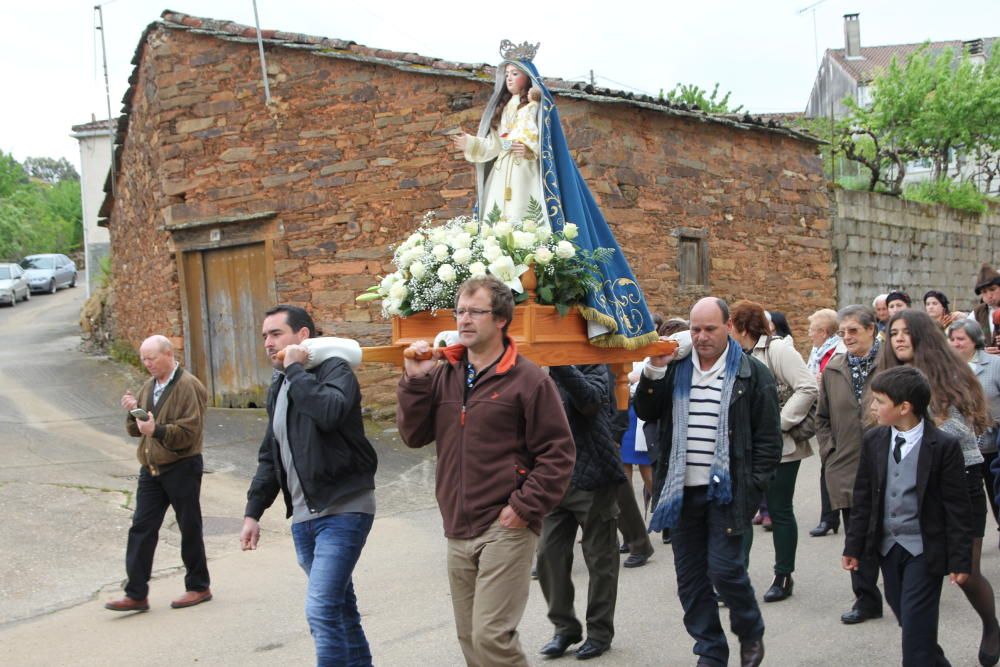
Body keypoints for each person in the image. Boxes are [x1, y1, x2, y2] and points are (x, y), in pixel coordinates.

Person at [396, 275, 575, 666]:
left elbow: (559, 453)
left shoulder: (528, 379)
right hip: (457, 523)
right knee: (470, 640)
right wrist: (413, 381)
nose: (464, 320)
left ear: (501, 320)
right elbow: (413, 436)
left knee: (492, 637)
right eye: (460, 311)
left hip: (504, 525)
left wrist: (524, 508)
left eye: (476, 312)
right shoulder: (444, 373)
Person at [452, 39, 657, 349]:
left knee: (528, 217)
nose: (509, 79)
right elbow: (496, 144)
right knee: (498, 222)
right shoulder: (504, 109)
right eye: (505, 74)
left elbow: (542, 139)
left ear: (527, 77)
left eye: (515, 73)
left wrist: (530, 146)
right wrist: (472, 143)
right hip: (504, 171)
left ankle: (532, 277)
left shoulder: (537, 105)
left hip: (527, 172)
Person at [635, 297, 782, 667]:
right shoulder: (674, 368)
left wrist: (753, 488)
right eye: (695, 329)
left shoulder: (752, 373)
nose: (701, 337)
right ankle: (710, 651)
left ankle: (749, 631)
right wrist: (654, 369)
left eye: (710, 329)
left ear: (728, 327)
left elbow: (768, 441)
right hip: (680, 492)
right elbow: (646, 412)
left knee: (725, 570)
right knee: (691, 580)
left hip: (727, 491)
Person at [240, 305, 378, 667]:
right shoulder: (281, 384)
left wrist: (296, 369)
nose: (268, 343)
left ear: (303, 336)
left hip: (345, 507)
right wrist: (253, 512)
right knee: (340, 610)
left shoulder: (334, 370)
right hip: (304, 517)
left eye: (276, 334)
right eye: (265, 336)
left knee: (320, 610)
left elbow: (329, 412)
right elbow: (271, 454)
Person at [878, 309, 1000, 666]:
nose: (898, 338)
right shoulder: (888, 377)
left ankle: (991, 625)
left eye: (906, 332)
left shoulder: (948, 374)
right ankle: (928, 656)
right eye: (894, 332)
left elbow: (966, 433)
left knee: (965, 573)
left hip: (960, 483)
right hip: (908, 490)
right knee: (902, 582)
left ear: (923, 336)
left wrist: (918, 426)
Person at [843, 366, 973, 667]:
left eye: (879, 401)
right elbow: (862, 498)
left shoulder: (942, 446)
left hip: (924, 550)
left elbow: (957, 507)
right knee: (912, 623)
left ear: (904, 408)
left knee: (914, 638)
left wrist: (960, 560)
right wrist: (853, 547)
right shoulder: (874, 440)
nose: (873, 407)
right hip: (888, 547)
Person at [105, 335, 210, 612]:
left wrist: (157, 431)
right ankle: (136, 593)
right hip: (151, 469)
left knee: (189, 526)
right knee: (141, 527)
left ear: (168, 354)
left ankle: (199, 586)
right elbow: (136, 428)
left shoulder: (189, 386)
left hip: (182, 467)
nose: (147, 363)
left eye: (151, 358)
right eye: (143, 359)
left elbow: (190, 433)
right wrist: (133, 412)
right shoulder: (148, 387)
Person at [730, 301, 818, 603]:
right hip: (744, 446)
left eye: (730, 324)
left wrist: (777, 423)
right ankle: (737, 577)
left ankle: (783, 575)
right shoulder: (734, 354)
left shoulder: (779, 350)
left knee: (779, 510)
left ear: (741, 326)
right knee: (742, 511)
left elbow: (807, 387)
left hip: (782, 445)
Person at [536, 365, 625, 660]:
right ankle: (565, 629)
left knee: (600, 559)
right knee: (548, 555)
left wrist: (559, 364)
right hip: (550, 479)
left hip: (591, 474)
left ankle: (599, 632)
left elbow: (590, 402)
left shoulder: (590, 362)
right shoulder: (526, 368)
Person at [816, 305, 885, 624]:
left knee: (891, 533)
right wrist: (830, 451)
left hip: (888, 464)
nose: (847, 337)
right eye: (843, 332)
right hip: (846, 465)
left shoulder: (891, 363)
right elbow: (823, 417)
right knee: (856, 536)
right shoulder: (833, 368)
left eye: (854, 330)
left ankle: (904, 590)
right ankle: (866, 599)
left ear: (872, 329)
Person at [949, 319, 1000, 541]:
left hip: (992, 443)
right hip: (964, 448)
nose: (956, 344)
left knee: (996, 491)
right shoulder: (947, 369)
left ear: (975, 341)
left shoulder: (994, 364)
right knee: (972, 499)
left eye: (961, 339)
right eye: (952, 339)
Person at [807, 308, 845, 538]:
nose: (810, 334)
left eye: (812, 329)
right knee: (827, 463)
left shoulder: (838, 351)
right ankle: (829, 517)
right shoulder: (819, 350)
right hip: (825, 413)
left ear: (823, 331)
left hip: (842, 414)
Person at [972, 263, 1000, 354]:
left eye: (992, 289)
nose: (989, 295)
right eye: (984, 292)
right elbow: (966, 339)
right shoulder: (977, 312)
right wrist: (982, 350)